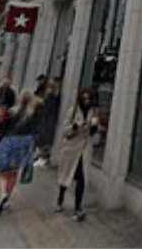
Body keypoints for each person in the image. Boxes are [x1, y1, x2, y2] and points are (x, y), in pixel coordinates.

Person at [0, 91, 41, 215]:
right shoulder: (33, 114)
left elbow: (2, 127)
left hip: (9, 140)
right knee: (14, 172)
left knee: (3, 172)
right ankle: (7, 198)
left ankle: (3, 194)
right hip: (24, 141)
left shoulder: (11, 112)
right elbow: (36, 131)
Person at [55, 87, 99, 221]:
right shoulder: (73, 111)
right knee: (66, 176)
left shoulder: (93, 112)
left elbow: (93, 134)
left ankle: (78, 208)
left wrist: (94, 126)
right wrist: (75, 126)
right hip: (71, 148)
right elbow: (65, 130)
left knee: (81, 178)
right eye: (84, 98)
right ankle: (60, 199)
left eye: (88, 99)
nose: (86, 101)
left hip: (84, 150)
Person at [35, 77, 61, 166]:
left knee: (45, 138)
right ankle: (40, 155)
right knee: (40, 137)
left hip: (48, 120)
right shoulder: (41, 95)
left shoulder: (53, 98)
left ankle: (44, 157)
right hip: (42, 119)